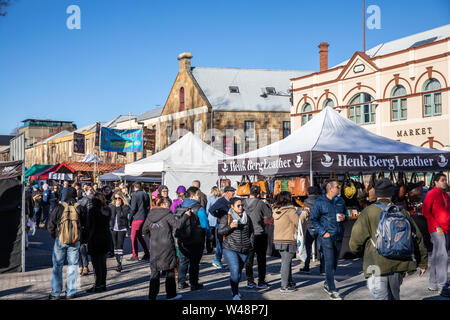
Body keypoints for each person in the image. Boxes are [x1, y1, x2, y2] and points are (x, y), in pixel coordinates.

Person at [349, 178, 428, 300]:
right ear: (391, 193)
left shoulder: (368, 212)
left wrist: (358, 252)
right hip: (399, 263)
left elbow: (355, 241)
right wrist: (422, 262)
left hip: (376, 264)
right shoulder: (401, 211)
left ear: (376, 194)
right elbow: (417, 237)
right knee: (394, 297)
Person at [143, 195, 191, 300]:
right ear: (164, 204)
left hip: (155, 246)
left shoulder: (150, 215)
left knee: (155, 273)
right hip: (167, 245)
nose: (169, 206)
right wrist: (186, 215)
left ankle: (152, 296)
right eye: (168, 204)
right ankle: (171, 294)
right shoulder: (167, 214)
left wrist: (153, 238)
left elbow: (144, 230)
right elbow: (178, 224)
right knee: (169, 270)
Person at [47, 187, 86, 300]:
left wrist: (56, 236)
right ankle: (71, 292)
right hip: (75, 241)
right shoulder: (80, 208)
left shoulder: (59, 207)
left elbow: (50, 225)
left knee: (57, 266)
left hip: (60, 240)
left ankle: (55, 293)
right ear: (75, 196)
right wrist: (81, 239)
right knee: (73, 266)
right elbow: (86, 226)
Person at [310, 179, 345, 300]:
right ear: (330, 189)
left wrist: (344, 217)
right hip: (327, 237)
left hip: (339, 235)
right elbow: (313, 219)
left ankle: (327, 283)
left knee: (335, 262)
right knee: (329, 262)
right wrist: (323, 232)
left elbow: (345, 214)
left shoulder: (341, 201)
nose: (339, 188)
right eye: (337, 187)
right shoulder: (320, 202)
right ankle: (332, 288)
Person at [176, 186, 212, 291]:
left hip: (182, 238)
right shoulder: (199, 208)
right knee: (194, 263)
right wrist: (209, 235)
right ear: (192, 196)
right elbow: (205, 224)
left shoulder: (180, 206)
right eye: (198, 195)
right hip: (196, 239)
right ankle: (193, 283)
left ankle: (181, 283)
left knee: (183, 261)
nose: (199, 197)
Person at [218, 197, 253, 300]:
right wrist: (230, 227)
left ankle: (235, 289)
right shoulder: (226, 217)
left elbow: (251, 232)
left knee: (238, 274)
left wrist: (251, 244)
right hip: (230, 248)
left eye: (242, 205)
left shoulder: (247, 217)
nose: (241, 207)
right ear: (232, 207)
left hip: (244, 249)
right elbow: (220, 232)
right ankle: (235, 294)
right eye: (238, 205)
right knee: (235, 269)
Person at [422, 173, 450, 297]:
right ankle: (442, 285)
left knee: (436, 256)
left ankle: (433, 283)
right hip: (437, 230)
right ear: (436, 182)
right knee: (443, 257)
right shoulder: (431, 193)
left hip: (446, 229)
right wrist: (436, 226)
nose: (445, 182)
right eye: (442, 180)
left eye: (446, 180)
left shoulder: (445, 194)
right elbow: (425, 211)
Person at [244, 185, 272, 289]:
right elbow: (269, 214)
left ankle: (250, 281)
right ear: (259, 194)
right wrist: (267, 204)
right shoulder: (260, 203)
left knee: (249, 259)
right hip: (259, 233)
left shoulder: (243, 203)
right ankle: (261, 281)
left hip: (247, 233)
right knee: (261, 259)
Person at [272, 191, 299, 293]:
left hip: (278, 239)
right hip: (289, 239)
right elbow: (298, 222)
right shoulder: (290, 210)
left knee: (286, 261)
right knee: (286, 263)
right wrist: (304, 214)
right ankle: (284, 286)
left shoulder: (276, 210)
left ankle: (289, 282)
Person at [86, 193, 112, 293]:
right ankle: (103, 284)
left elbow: (89, 226)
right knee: (103, 263)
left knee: (96, 264)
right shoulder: (107, 210)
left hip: (95, 238)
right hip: (106, 237)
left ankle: (97, 285)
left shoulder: (92, 211)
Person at [208, 186, 236, 268]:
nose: (234, 193)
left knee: (228, 243)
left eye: (234, 191)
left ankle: (229, 261)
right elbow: (211, 209)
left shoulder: (230, 201)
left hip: (228, 224)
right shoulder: (221, 200)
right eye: (232, 191)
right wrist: (218, 216)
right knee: (220, 243)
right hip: (221, 225)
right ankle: (216, 260)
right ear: (227, 192)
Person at [300, 186, 324, 274]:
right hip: (320, 226)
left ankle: (306, 266)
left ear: (308, 193)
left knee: (307, 248)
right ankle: (323, 269)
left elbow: (303, 215)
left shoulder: (305, 202)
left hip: (310, 226)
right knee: (321, 249)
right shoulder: (321, 201)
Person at [128, 182, 150, 261]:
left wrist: (130, 218)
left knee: (133, 237)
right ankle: (147, 253)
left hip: (137, 218)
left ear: (134, 187)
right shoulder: (146, 194)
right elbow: (148, 207)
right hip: (144, 217)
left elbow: (133, 208)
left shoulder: (134, 195)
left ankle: (135, 255)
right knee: (139, 236)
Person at [110, 191, 130, 272]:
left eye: (119, 198)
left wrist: (118, 207)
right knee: (115, 247)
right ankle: (118, 261)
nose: (117, 200)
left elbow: (124, 216)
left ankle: (119, 264)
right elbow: (110, 216)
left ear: (122, 198)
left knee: (120, 246)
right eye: (115, 198)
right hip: (113, 228)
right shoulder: (111, 206)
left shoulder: (125, 207)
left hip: (122, 228)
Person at [77, 186, 93, 276]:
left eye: (78, 189)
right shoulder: (71, 201)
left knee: (82, 247)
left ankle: (85, 266)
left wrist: (87, 226)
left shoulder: (86, 200)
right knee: (76, 248)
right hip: (74, 228)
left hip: (83, 227)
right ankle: (80, 266)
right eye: (75, 189)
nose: (77, 191)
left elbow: (89, 213)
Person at [206, 186, 221, 254]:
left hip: (211, 218)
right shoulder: (219, 199)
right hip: (218, 218)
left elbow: (207, 209)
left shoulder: (210, 198)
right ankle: (218, 247)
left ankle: (209, 248)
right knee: (217, 235)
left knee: (210, 234)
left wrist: (206, 215)